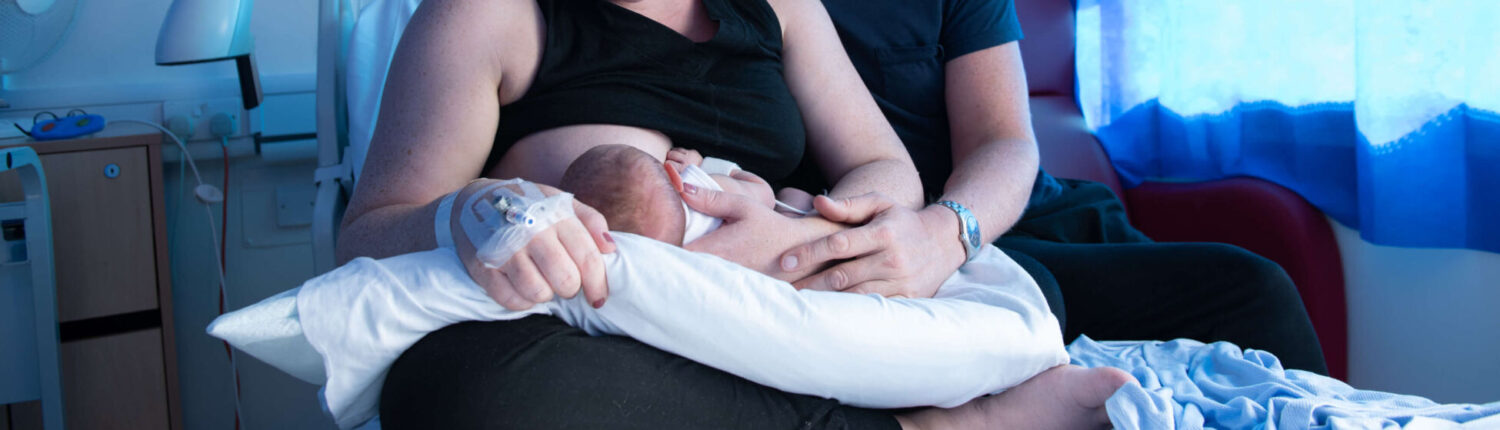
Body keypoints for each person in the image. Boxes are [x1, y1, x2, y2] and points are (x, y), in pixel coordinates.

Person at [341, 0, 1128, 428]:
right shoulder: (485, 17)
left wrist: (799, 229)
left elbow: (885, 168)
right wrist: (483, 210)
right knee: (456, 396)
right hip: (613, 332)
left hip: (780, 305)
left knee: (1034, 297)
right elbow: (369, 229)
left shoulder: (781, 8)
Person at [713, 0, 1330, 374]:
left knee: (1252, 291)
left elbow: (1004, 141)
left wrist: (946, 231)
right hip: (866, 247)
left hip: (1002, 219)